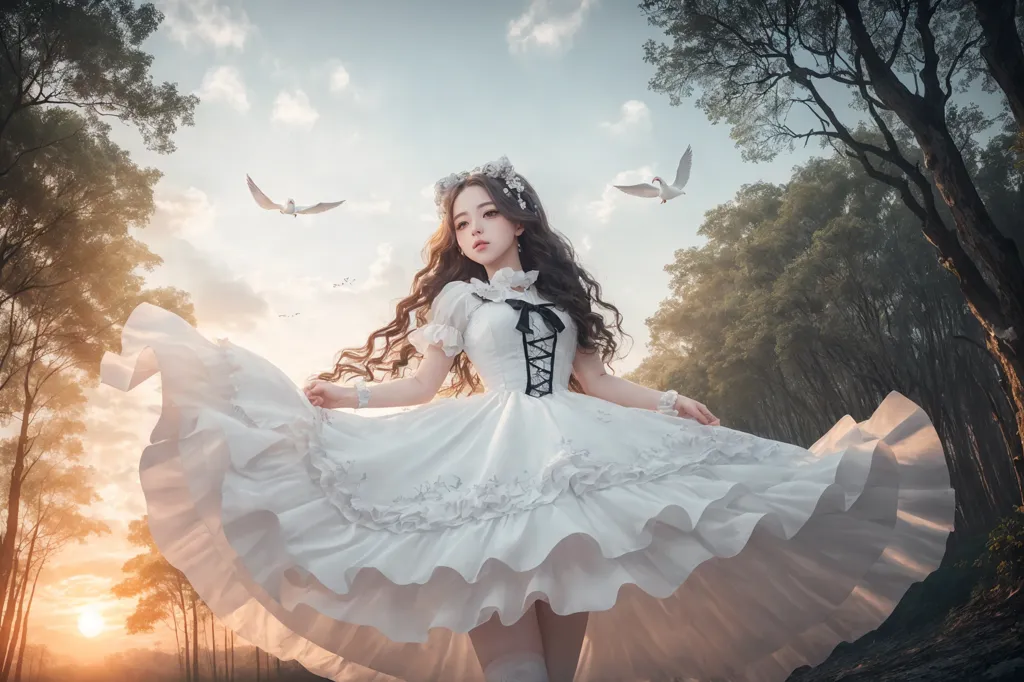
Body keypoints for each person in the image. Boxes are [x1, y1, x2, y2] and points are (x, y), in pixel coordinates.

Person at [101, 156, 955, 682]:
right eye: (459, 221)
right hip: (485, 462)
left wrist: (670, 403)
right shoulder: (459, 298)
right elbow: (419, 389)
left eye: (486, 214)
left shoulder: (556, 296)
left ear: (519, 219)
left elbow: (597, 381)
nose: (472, 230)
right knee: (513, 667)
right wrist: (346, 398)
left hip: (575, 464)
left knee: (555, 669)